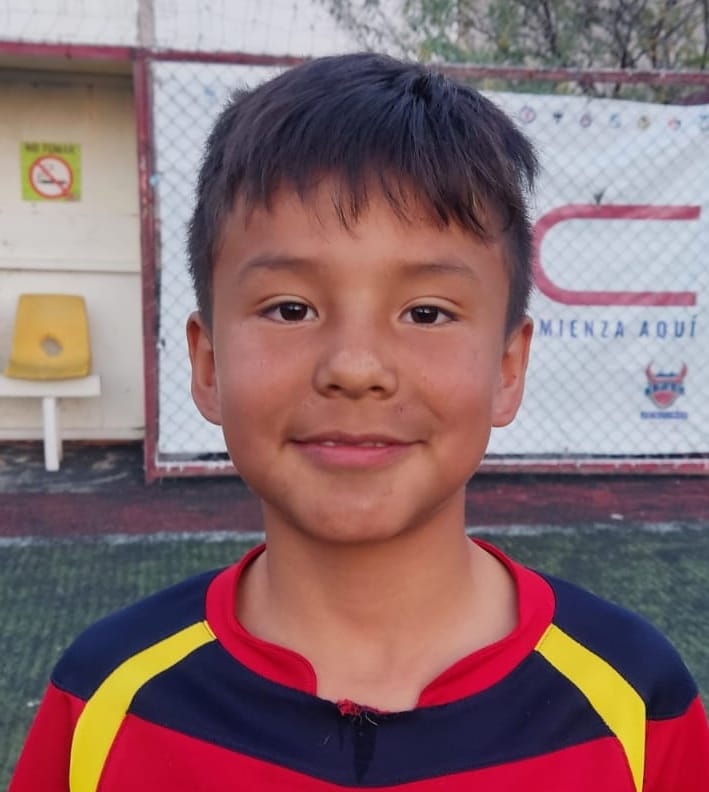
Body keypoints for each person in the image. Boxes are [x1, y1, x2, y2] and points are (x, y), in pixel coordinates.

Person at [10, 52, 709, 792]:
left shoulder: (636, 704)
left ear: (507, 369)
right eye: (290, 309)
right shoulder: (103, 699)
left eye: (426, 313)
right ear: (208, 364)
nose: (354, 366)